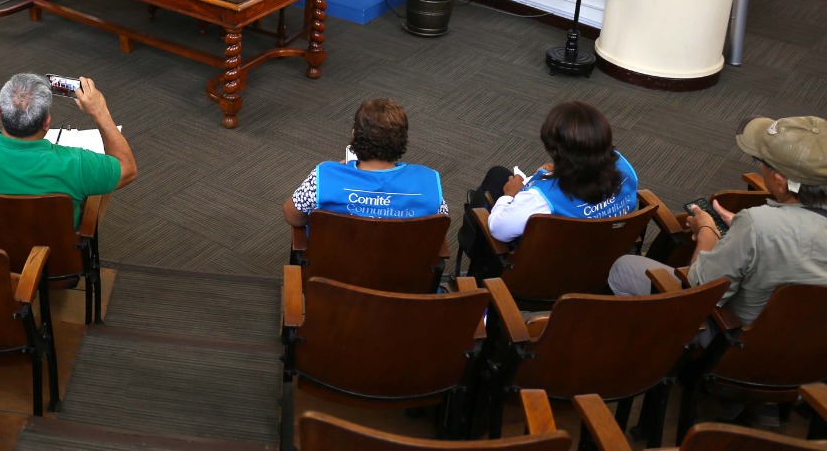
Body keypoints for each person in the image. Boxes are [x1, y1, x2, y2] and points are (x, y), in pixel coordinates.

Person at [609, 116, 827, 326]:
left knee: (623, 267)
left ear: (780, 183)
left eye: (760, 161)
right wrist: (744, 230)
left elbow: (700, 289)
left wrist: (706, 230)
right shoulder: (759, 226)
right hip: (801, 342)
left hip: (731, 335)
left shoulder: (758, 224)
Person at [0, 73, 137, 223]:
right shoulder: (76, 163)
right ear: (47, 123)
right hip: (55, 262)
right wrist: (100, 112)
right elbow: (127, 169)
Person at [484, 101, 640, 244]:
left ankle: (481, 270)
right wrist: (557, 172)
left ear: (552, 150)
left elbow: (498, 230)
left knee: (494, 180)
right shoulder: (624, 166)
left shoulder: (541, 199)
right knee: (498, 174)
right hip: (604, 249)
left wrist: (509, 195)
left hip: (556, 261)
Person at [283, 98, 447, 228]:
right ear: (403, 140)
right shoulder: (428, 182)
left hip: (333, 267)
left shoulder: (324, 177)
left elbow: (293, 217)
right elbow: (439, 227)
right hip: (403, 268)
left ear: (355, 136)